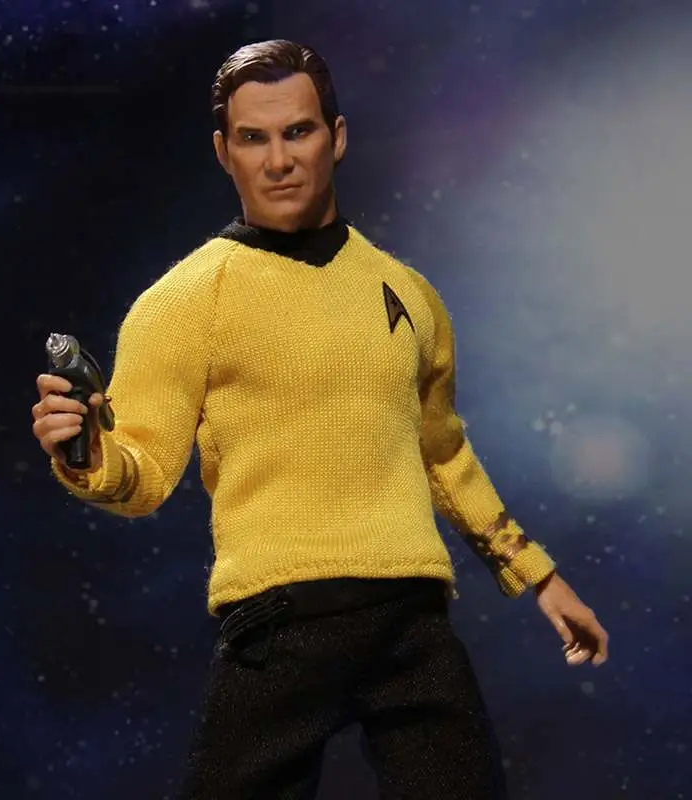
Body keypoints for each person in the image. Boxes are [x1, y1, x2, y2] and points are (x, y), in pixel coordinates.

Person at [31, 39, 609, 800]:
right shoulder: (184, 302)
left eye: (297, 131)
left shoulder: (408, 293)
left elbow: (444, 455)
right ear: (223, 152)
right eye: (254, 138)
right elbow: (142, 473)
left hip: (410, 621)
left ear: (335, 137)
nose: (279, 160)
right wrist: (82, 451)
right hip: (280, 623)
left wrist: (540, 576)